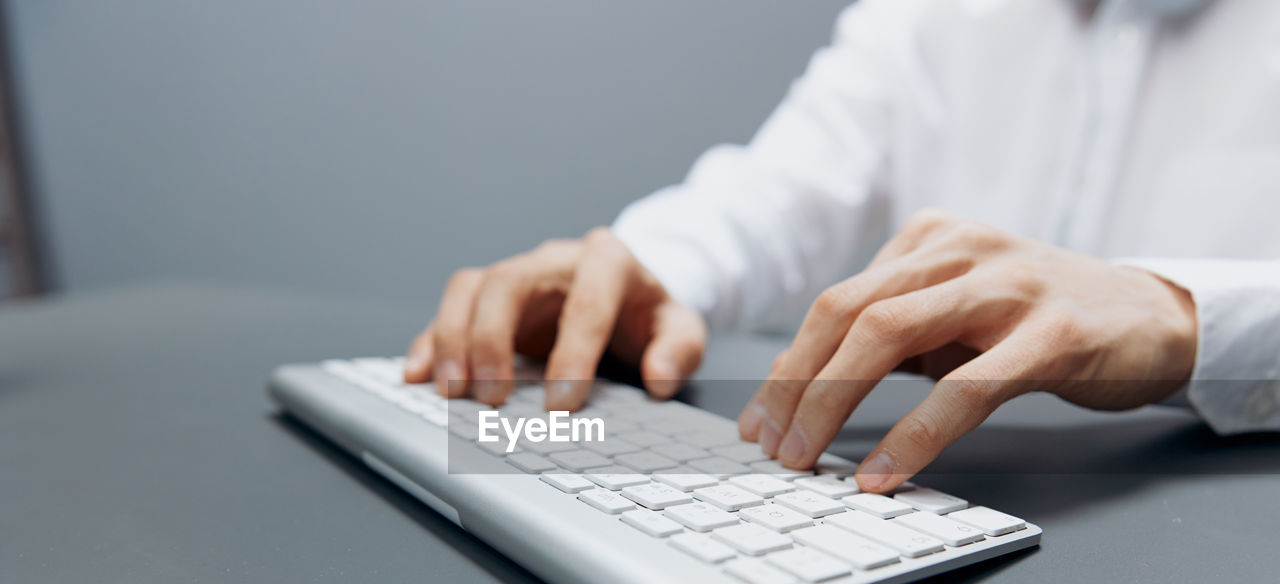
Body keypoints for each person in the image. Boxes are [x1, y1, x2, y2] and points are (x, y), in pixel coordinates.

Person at [403, 0, 1280, 493]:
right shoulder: (926, 19)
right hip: (929, 512)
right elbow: (779, 188)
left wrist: (1181, 315)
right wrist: (653, 266)